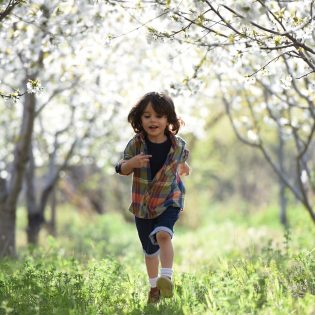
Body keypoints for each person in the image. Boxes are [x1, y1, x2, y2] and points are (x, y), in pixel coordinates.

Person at [115, 91, 190, 304]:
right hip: (144, 205)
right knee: (150, 251)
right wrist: (131, 164)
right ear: (139, 119)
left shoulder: (178, 145)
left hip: (170, 198)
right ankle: (154, 287)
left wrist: (184, 167)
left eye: (158, 116)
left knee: (163, 235)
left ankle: (166, 277)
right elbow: (120, 167)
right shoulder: (136, 145)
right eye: (147, 116)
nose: (153, 120)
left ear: (168, 120)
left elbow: (182, 158)